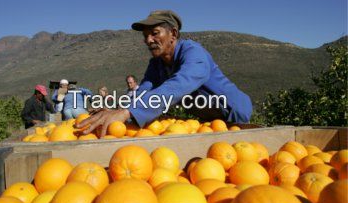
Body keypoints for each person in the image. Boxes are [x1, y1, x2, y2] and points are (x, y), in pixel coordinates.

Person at [76, 10, 252, 137]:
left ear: (173, 34)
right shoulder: (156, 64)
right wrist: (120, 109)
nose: (148, 40)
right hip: (210, 123)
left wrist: (128, 112)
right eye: (145, 36)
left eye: (154, 33)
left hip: (234, 115)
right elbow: (143, 92)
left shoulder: (194, 53)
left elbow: (179, 84)